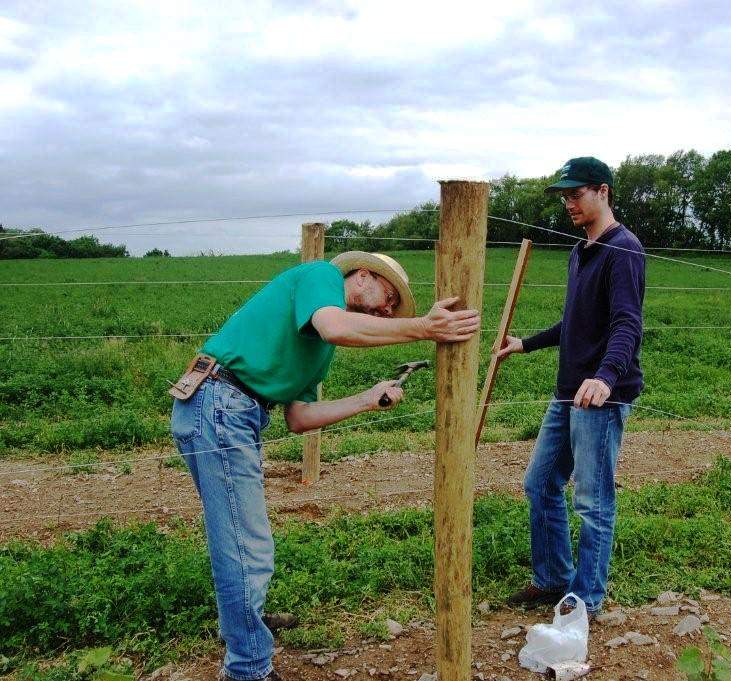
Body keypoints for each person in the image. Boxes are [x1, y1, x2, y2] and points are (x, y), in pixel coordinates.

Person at [169, 251, 481, 681]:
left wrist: (368, 399)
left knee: (244, 540)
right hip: (221, 402)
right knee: (247, 548)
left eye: (392, 309)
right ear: (365, 276)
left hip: (230, 409)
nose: (386, 310)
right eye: (388, 298)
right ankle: (247, 669)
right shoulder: (323, 276)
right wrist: (424, 328)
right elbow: (336, 326)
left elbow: (299, 418)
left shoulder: (317, 348)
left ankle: (247, 624)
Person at [498, 157, 646, 614]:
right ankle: (552, 579)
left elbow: (627, 324)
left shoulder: (624, 249)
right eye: (564, 196)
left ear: (603, 191)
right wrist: (527, 343)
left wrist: (605, 378)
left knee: (592, 500)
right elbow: (575, 322)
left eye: (576, 194)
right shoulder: (581, 251)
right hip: (567, 392)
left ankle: (586, 599)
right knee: (540, 483)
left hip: (599, 397)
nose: (569, 203)